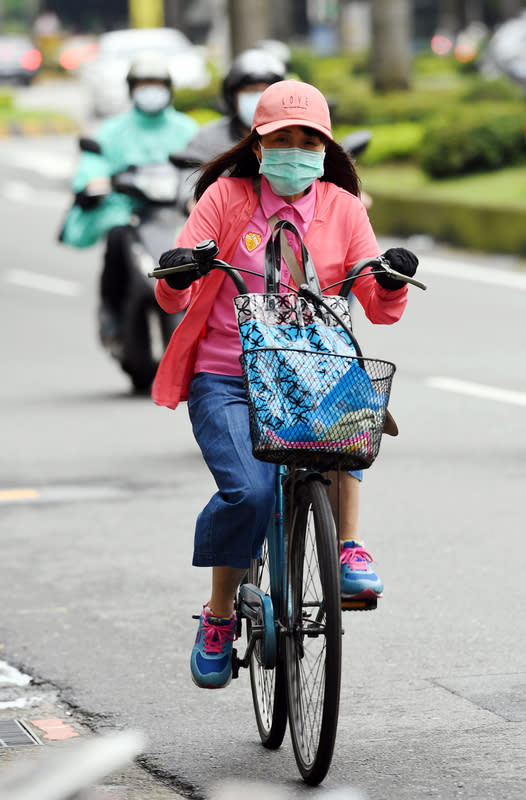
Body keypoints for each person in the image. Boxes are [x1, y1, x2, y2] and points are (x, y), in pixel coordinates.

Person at [152, 80, 419, 689]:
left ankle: (348, 546)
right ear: (258, 144)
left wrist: (394, 277)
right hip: (227, 375)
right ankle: (219, 614)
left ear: (324, 149)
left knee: (353, 425)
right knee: (249, 494)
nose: (294, 151)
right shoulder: (225, 198)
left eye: (308, 141)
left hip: (311, 369)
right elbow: (176, 289)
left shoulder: (344, 208)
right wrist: (177, 272)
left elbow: (378, 305)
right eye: (281, 140)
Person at [59, 52, 199, 347]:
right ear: (132, 88)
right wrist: (91, 182)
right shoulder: (113, 130)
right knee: (116, 238)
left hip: (174, 212)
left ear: (169, 88)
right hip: (127, 211)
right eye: (144, 84)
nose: (151, 90)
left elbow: (202, 165)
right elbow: (93, 162)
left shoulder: (186, 128)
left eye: (157, 84)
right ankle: (111, 308)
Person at [175, 48, 286, 214]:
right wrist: (196, 204)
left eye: (265, 91)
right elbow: (190, 179)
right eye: (250, 91)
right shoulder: (209, 138)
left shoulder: (292, 136)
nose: (258, 98)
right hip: (226, 226)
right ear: (232, 97)